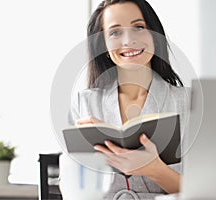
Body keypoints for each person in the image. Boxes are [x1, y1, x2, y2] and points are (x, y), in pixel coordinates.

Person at [60, 0, 189, 199]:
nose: (128, 40)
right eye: (115, 32)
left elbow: (208, 192)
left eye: (138, 27)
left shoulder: (189, 104)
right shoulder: (84, 104)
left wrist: (154, 169)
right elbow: (71, 188)